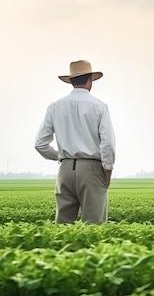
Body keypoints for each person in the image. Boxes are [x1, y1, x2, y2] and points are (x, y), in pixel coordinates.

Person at [34, 60, 116, 223]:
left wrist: (61, 157)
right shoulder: (99, 106)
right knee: (94, 226)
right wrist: (107, 170)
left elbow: (40, 144)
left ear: (71, 81)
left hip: (65, 170)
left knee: (63, 227)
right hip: (91, 168)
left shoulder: (55, 106)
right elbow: (108, 144)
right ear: (90, 80)